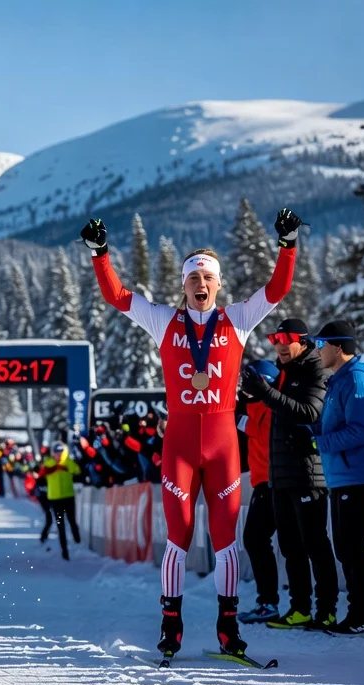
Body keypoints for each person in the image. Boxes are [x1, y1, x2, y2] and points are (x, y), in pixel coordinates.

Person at [83, 207, 301, 659]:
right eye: (193, 279)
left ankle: (228, 628)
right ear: (183, 286)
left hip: (223, 448)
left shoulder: (237, 320)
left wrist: (287, 246)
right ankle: (171, 624)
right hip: (180, 447)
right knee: (178, 538)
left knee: (226, 541)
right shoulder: (165, 321)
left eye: (207, 279)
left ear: (218, 285)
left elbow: (277, 290)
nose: (200, 285)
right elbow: (118, 297)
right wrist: (100, 254)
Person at [240, 319, 338, 630]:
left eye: (286, 340)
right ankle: (299, 608)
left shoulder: (314, 370)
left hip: (308, 472)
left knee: (315, 544)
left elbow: (310, 412)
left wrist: (266, 393)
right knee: (290, 546)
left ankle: (327, 609)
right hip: (280, 475)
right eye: (275, 340)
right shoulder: (285, 373)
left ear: (303, 342)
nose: (280, 346)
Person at [307, 321, 364, 635]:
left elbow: (361, 430)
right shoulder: (339, 380)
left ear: (338, 347)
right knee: (345, 547)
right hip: (342, 476)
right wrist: (310, 432)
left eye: (321, 344)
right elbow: (336, 425)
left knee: (352, 547)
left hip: (358, 475)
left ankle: (363, 615)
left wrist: (318, 443)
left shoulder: (357, 379)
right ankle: (358, 614)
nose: (317, 351)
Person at [235, 359, 281, 624]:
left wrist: (239, 419)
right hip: (263, 481)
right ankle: (268, 601)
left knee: (256, 539)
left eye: (249, 381)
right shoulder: (253, 405)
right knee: (255, 540)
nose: (244, 387)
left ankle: (271, 602)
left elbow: (262, 433)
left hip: (273, 481)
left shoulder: (270, 406)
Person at [39, 442, 81, 559]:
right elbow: (41, 474)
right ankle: (64, 550)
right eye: (56, 452)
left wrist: (65, 467)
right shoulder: (48, 463)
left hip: (68, 497)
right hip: (55, 499)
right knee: (60, 525)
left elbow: (77, 471)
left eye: (61, 452)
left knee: (72, 521)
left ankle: (77, 540)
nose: (59, 455)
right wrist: (54, 468)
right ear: (53, 453)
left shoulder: (68, 462)